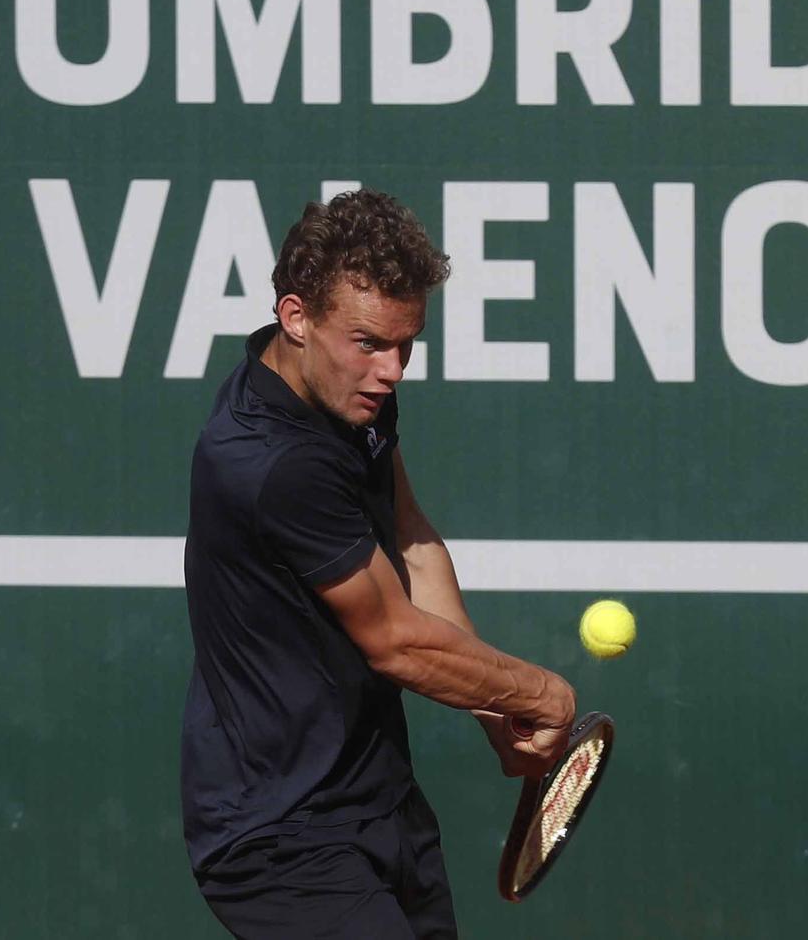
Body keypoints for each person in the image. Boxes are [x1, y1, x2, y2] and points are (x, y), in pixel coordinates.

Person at [180, 188, 578, 938]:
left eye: (406, 344)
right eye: (369, 343)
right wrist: (539, 690)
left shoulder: (346, 389)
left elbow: (412, 542)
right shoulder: (270, 463)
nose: (392, 370)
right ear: (295, 317)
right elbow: (393, 639)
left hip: (379, 803)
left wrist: (493, 706)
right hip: (279, 837)